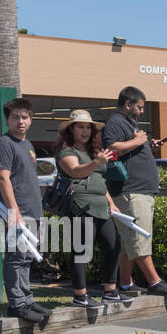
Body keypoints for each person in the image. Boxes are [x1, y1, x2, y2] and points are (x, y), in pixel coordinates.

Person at [102, 87, 167, 297]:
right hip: (131, 191)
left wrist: (148, 144)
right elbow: (111, 148)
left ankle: (126, 284)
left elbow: (129, 148)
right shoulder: (116, 122)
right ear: (128, 104)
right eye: (139, 107)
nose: (142, 111)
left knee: (128, 242)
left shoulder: (127, 124)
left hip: (139, 191)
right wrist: (138, 142)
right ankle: (154, 282)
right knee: (139, 237)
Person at [55, 109, 129, 308]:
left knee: (113, 245)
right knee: (81, 251)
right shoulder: (67, 152)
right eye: (80, 127)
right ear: (71, 130)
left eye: (89, 127)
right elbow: (76, 172)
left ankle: (111, 291)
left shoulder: (94, 152)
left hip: (100, 206)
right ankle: (81, 295)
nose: (85, 131)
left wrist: (112, 204)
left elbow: (99, 180)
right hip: (79, 205)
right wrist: (97, 162)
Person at [0, 97, 51, 322]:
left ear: (31, 119)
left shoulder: (27, 145)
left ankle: (26, 299)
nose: (20, 121)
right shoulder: (4, 144)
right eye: (15, 117)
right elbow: (2, 177)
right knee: (16, 258)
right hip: (17, 211)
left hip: (33, 210)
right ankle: (16, 304)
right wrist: (14, 210)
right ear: (7, 120)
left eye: (24, 117)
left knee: (26, 257)